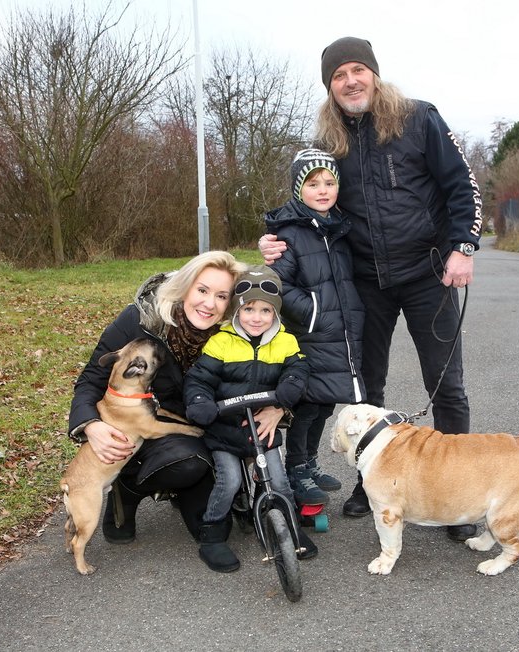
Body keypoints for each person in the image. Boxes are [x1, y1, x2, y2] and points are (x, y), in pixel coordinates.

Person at [259, 36, 483, 541]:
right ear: (330, 87)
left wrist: (463, 247)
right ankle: (371, 479)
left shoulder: (419, 118)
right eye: (339, 75)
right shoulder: (331, 140)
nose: (350, 81)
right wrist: (276, 239)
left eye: (358, 70)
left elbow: (461, 187)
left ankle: (455, 492)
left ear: (374, 75)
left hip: (430, 273)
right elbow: (309, 199)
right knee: (365, 388)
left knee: (447, 388)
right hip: (366, 284)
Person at [67, 251, 246, 549]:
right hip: (140, 427)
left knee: (214, 529)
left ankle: (182, 484)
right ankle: (127, 487)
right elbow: (90, 380)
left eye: (221, 296)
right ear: (185, 287)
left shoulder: (232, 332)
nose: (209, 304)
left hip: (195, 426)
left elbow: (263, 372)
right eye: (202, 290)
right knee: (187, 463)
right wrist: (89, 425)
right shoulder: (138, 321)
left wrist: (274, 409)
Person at [183, 265, 315, 572]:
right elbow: (199, 379)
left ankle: (289, 526)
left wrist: (290, 386)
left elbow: (299, 369)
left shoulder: (285, 341)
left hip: (261, 426)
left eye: (266, 310)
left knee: (279, 481)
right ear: (237, 310)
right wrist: (201, 401)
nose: (256, 318)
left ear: (275, 313)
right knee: (228, 481)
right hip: (225, 429)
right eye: (249, 309)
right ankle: (213, 533)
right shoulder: (221, 341)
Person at [264, 148, 365, 507]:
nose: (322, 190)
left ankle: (308, 461)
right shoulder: (290, 233)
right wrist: (314, 312)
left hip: (336, 334)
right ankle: (296, 470)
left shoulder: (336, 227)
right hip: (309, 333)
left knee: (324, 404)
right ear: (297, 189)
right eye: (312, 184)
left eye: (329, 182)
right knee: (307, 405)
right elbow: (278, 283)